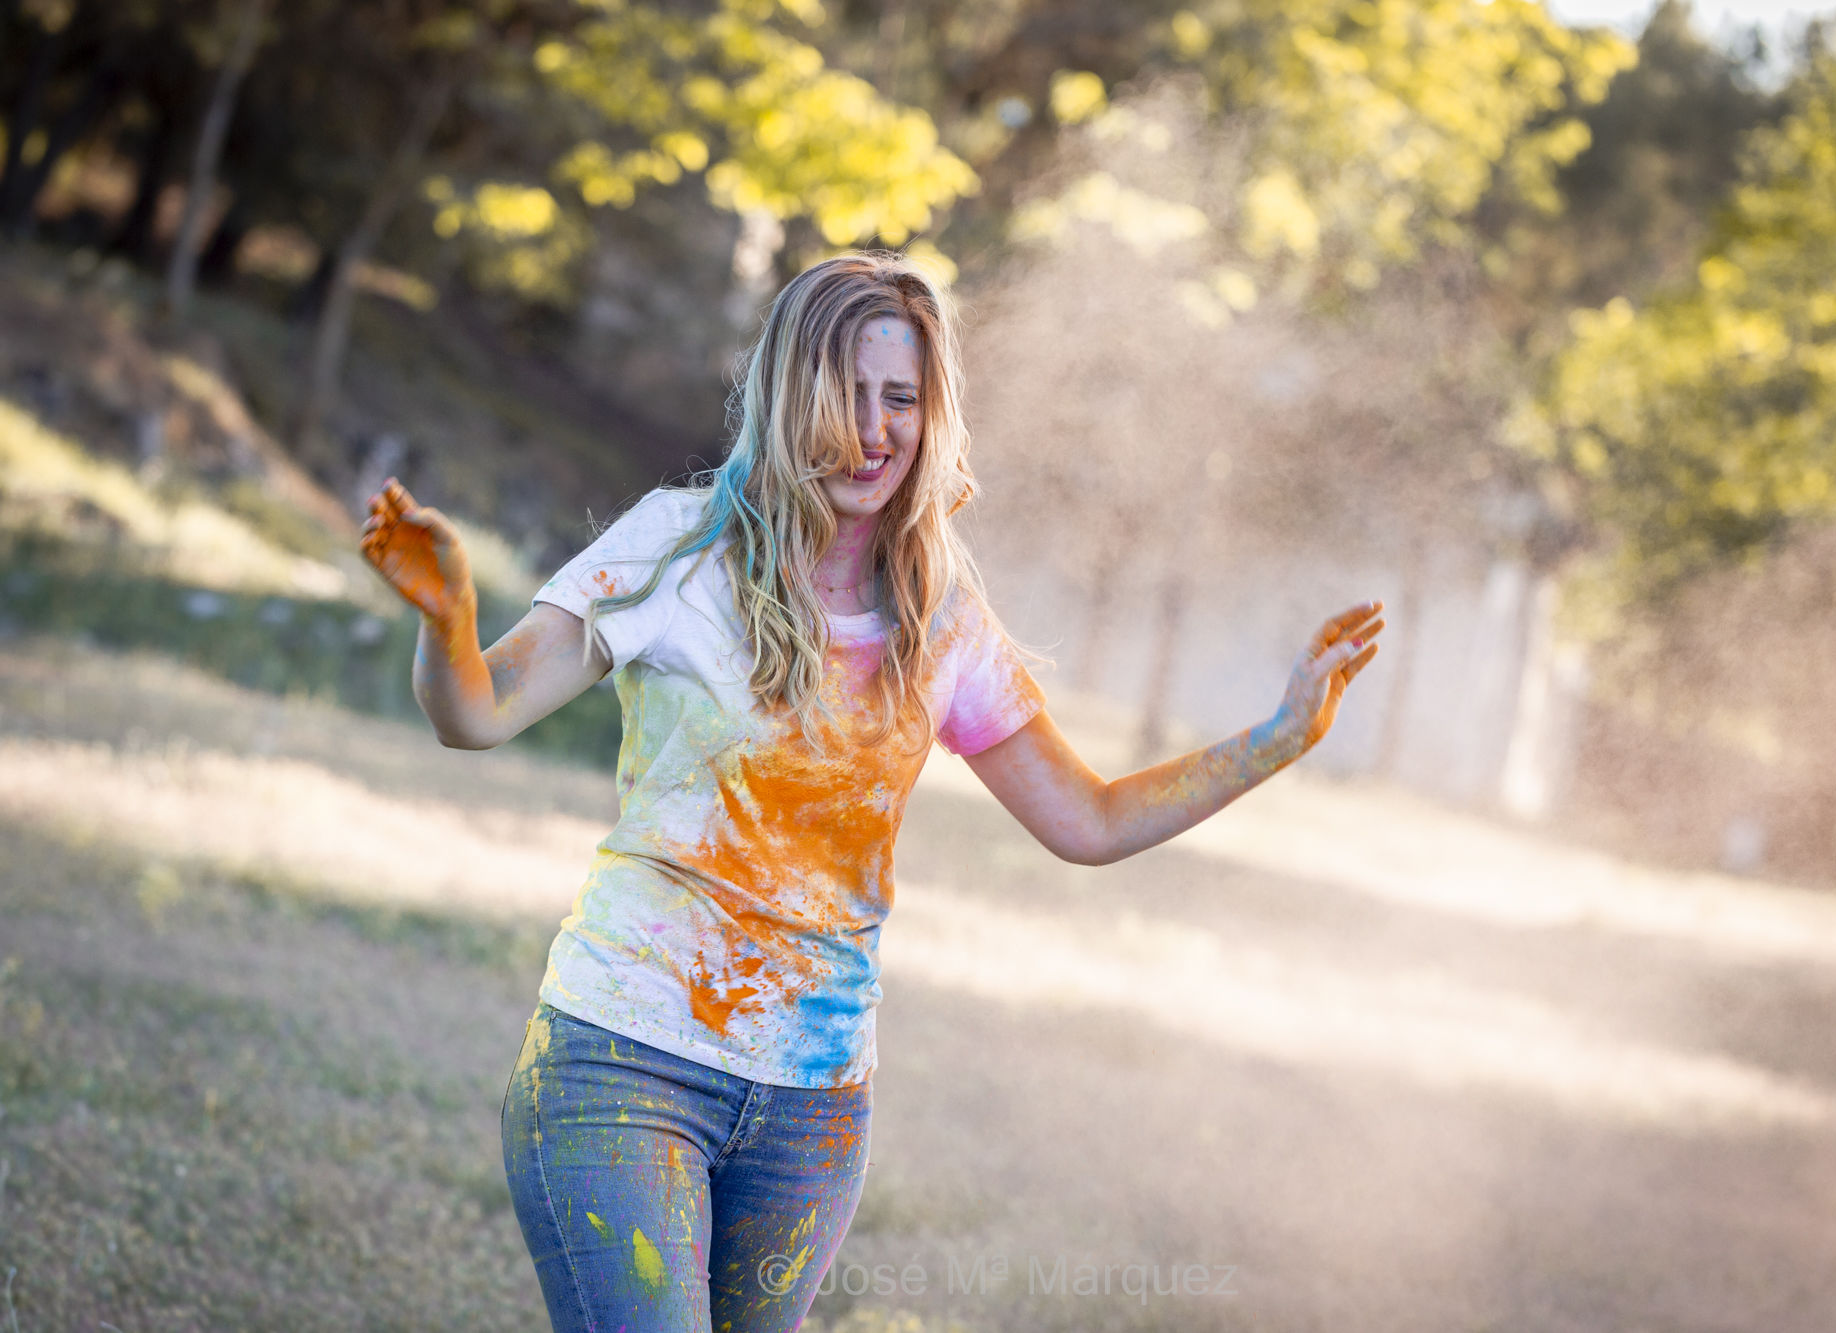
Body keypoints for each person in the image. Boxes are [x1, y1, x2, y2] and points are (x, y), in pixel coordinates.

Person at [358, 250, 1383, 1332]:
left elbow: (1087, 821)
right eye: (844, 393)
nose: (874, 428)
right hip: (623, 1061)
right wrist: (446, 626)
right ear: (786, 393)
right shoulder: (677, 549)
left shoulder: (938, 615)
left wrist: (1274, 737)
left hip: (813, 1107)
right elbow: (472, 712)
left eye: (900, 397)